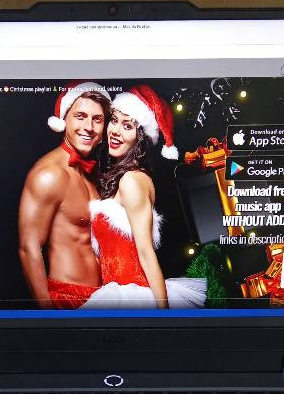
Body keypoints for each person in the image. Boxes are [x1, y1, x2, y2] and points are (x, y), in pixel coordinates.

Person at [81, 85, 207, 310]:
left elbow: (146, 253)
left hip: (132, 296)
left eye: (127, 126)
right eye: (114, 120)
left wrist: (163, 316)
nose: (115, 131)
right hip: (114, 293)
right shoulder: (126, 178)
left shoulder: (132, 180)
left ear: (140, 139)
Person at [18, 81, 111, 309]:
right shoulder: (50, 174)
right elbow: (29, 248)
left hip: (101, 296)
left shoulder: (90, 174)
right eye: (80, 116)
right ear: (64, 119)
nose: (88, 127)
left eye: (97, 119)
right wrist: (51, 317)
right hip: (68, 299)